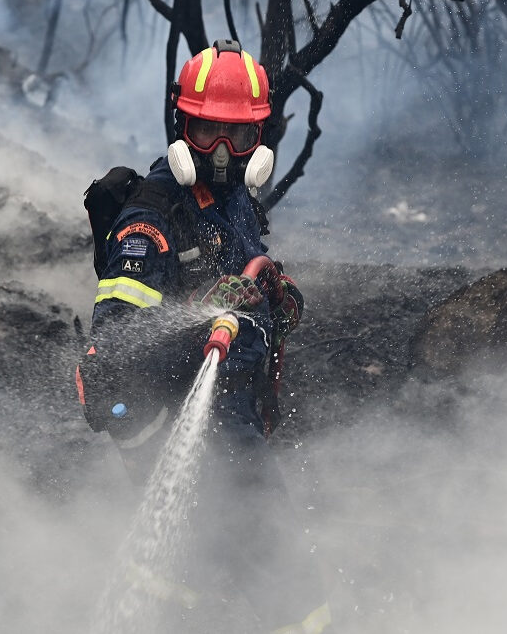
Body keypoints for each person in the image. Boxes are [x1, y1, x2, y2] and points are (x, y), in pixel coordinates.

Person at [78, 39, 331, 634]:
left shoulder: (233, 195)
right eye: (207, 133)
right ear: (180, 124)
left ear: (258, 137)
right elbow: (118, 345)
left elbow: (246, 263)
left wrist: (271, 290)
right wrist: (199, 313)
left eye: (238, 138)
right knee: (280, 564)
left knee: (194, 566)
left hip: (233, 410)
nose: (222, 153)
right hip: (183, 423)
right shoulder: (150, 220)